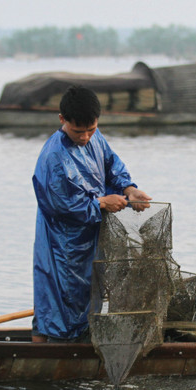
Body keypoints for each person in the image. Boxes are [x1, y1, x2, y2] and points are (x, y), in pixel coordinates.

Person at [31, 85, 152, 343]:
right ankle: (49, 351)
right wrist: (101, 204)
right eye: (78, 131)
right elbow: (59, 205)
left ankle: (79, 343)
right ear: (62, 120)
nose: (85, 137)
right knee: (58, 298)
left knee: (89, 294)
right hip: (61, 243)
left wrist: (130, 190)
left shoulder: (96, 139)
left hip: (91, 239)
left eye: (91, 129)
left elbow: (112, 167)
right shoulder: (54, 156)